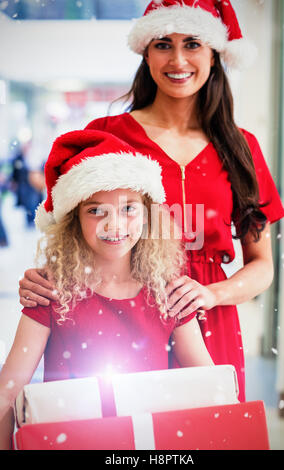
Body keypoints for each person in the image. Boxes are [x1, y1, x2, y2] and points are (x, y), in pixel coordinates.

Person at [18, 0, 284, 403]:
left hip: (209, 323)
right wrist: (42, 278)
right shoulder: (108, 135)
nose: (178, 59)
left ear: (215, 54)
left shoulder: (241, 148)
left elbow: (262, 265)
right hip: (121, 320)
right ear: (146, 53)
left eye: (193, 43)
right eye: (163, 43)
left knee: (209, 429)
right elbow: (70, 231)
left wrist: (213, 294)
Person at [0, 129, 214, 450]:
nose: (114, 225)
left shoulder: (167, 293)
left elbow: (210, 388)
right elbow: (8, 392)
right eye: (96, 210)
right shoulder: (50, 292)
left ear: (147, 216)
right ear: (74, 220)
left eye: (129, 208)